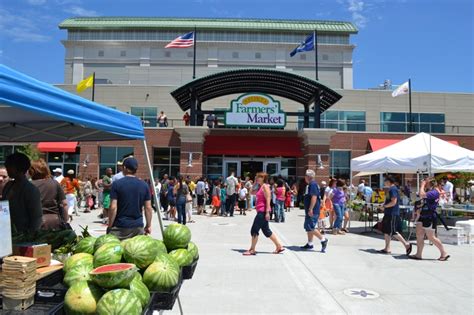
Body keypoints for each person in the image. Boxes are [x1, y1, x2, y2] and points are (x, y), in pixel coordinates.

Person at [108, 157, 152, 240]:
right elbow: (148, 208)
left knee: (118, 251)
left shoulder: (117, 184)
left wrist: (110, 226)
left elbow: (113, 207)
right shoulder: (144, 185)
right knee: (134, 251)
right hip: (137, 227)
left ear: (124, 168)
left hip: (120, 227)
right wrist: (148, 225)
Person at [243, 172, 285, 256]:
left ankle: (252, 249)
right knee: (266, 231)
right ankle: (279, 246)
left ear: (264, 178)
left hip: (263, 211)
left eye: (260, 177)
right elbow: (251, 193)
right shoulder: (260, 187)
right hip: (260, 211)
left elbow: (268, 199)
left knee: (254, 230)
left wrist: (267, 212)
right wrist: (254, 183)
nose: (258, 178)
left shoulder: (265, 187)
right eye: (257, 177)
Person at [1, 153, 42, 233]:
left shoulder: (30, 190)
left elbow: (36, 217)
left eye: (9, 166)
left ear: (18, 168)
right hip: (6, 232)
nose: (7, 169)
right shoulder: (8, 186)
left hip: (23, 235)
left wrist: (30, 237)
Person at [410, 178, 449, 261]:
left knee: (431, 237)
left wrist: (422, 185)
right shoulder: (429, 191)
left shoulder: (434, 192)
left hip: (430, 216)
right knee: (419, 235)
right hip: (423, 215)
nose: (424, 183)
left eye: (426, 182)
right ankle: (418, 254)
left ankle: (444, 253)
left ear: (430, 183)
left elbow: (421, 194)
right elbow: (421, 198)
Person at [29, 159, 68, 230]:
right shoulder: (54, 183)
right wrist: (65, 220)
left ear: (32, 171)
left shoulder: (29, 185)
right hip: (55, 222)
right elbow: (64, 203)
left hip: (35, 222)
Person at [378, 176, 412, 255]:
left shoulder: (393, 189)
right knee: (386, 231)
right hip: (388, 213)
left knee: (393, 231)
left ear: (389, 181)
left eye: (385, 181)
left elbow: (394, 202)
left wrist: (384, 206)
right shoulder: (390, 189)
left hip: (392, 213)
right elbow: (389, 201)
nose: (384, 182)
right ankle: (387, 248)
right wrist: (383, 205)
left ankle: (406, 245)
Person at [300, 170, 328, 252]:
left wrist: (311, 208)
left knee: (310, 227)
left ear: (308, 176)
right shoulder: (311, 185)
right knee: (309, 227)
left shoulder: (313, 184)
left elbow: (314, 197)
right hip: (311, 210)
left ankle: (323, 239)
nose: (304, 177)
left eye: (305, 175)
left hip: (313, 210)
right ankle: (310, 243)